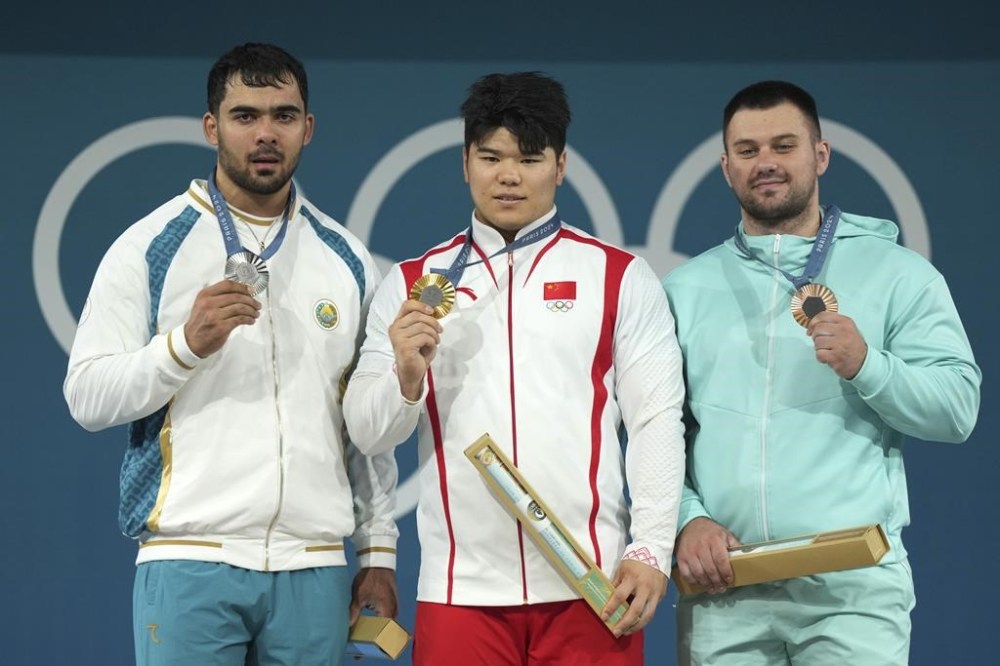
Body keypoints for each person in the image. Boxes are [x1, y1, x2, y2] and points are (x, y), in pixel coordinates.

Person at [63, 42, 399, 665]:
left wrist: (377, 555)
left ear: (309, 128)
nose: (266, 134)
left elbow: (365, 430)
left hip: (314, 565)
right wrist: (181, 348)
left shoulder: (346, 258)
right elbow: (86, 396)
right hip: (190, 558)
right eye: (246, 116)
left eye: (283, 115)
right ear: (212, 127)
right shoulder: (149, 246)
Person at [343, 71, 686, 665]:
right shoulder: (409, 283)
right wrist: (404, 377)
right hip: (459, 592)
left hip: (594, 588)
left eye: (529, 159)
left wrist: (651, 547)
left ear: (560, 166)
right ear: (465, 163)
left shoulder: (618, 277)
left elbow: (656, 419)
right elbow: (369, 433)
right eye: (491, 156)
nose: (508, 175)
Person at [662, 80, 981, 665]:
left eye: (784, 146)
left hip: (852, 587)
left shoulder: (900, 274)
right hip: (725, 589)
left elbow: (958, 408)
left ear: (820, 155)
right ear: (726, 166)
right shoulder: (683, 290)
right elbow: (657, 435)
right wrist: (688, 520)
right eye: (749, 150)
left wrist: (869, 366)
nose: (766, 164)